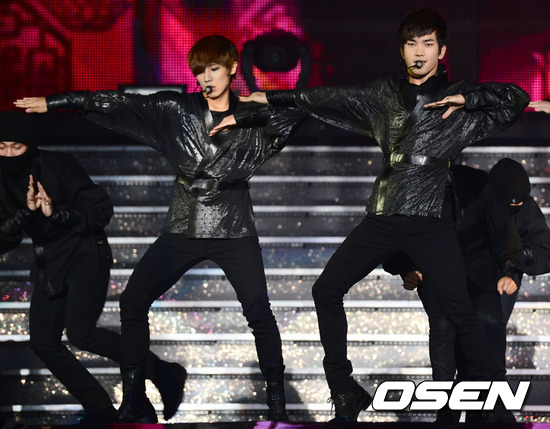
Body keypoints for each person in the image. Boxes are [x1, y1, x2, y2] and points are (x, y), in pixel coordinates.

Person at [210, 9, 530, 423]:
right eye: (412, 44)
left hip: (429, 219)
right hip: (384, 214)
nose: (419, 52)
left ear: (442, 50)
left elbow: (516, 99)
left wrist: (469, 98)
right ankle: (344, 390)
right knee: (326, 290)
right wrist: (272, 97)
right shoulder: (383, 93)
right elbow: (329, 98)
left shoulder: (457, 97)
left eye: (428, 44)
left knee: (461, 313)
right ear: (401, 50)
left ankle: (495, 405)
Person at [15, 35, 305, 423]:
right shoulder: (177, 110)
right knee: (133, 301)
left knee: (259, 313)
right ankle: (135, 400)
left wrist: (252, 110)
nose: (206, 78)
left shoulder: (256, 111)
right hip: (183, 226)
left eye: (214, 69)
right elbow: (118, 103)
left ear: (233, 68)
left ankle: (277, 409)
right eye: (199, 71)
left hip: (233, 228)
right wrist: (56, 102)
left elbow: (299, 111)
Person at [0, 111, 186, 424]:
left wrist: (55, 212)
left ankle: (161, 373)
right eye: (1, 147)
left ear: (29, 145)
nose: (8, 154)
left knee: (81, 332)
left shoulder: (58, 165)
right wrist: (24, 214)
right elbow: (4, 238)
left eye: (16, 147)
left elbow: (100, 210)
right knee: (43, 342)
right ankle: (101, 409)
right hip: (49, 262)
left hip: (85, 252)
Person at [384, 163, 524, 423]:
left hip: (478, 272)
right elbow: (392, 234)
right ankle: (446, 409)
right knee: (443, 329)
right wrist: (406, 269)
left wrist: (509, 270)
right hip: (434, 272)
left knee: (490, 325)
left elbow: (502, 231)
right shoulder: (406, 185)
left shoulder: (477, 182)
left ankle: (493, 404)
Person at [488, 158, 550, 324]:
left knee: (494, 325)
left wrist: (516, 256)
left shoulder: (527, 208)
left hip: (509, 272)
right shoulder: (479, 205)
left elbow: (545, 250)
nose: (517, 205)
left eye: (520, 202)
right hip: (474, 270)